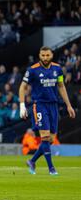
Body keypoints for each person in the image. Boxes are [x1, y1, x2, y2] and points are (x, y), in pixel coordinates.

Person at [19, 46, 76, 175]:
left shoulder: (57, 69)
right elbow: (22, 87)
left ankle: (32, 161)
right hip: (39, 105)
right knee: (44, 137)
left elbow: (61, 86)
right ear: (39, 55)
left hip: (53, 106)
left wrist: (69, 105)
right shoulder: (32, 70)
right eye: (43, 55)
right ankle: (51, 168)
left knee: (50, 139)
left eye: (47, 55)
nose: (45, 58)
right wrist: (22, 105)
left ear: (52, 55)